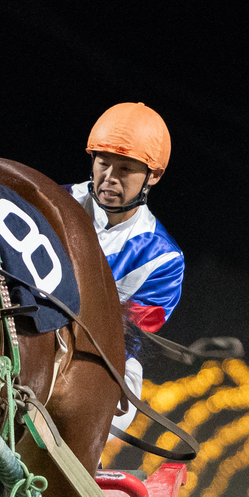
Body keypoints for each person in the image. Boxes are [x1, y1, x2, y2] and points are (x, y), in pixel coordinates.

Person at [69, 103, 183, 431]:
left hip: (104, 360)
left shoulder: (163, 260)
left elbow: (129, 340)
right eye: (103, 163)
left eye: (125, 169)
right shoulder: (53, 202)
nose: (109, 178)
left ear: (154, 175)